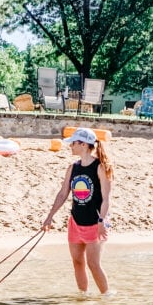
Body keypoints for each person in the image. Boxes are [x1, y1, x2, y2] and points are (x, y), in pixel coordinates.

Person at [42, 126, 113, 295]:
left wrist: (102, 221)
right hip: (76, 222)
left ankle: (106, 297)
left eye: (73, 143)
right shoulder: (72, 168)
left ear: (83, 144)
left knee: (93, 264)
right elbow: (62, 194)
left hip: (95, 222)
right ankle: (83, 297)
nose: (71, 146)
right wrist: (49, 217)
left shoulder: (101, 167)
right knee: (78, 262)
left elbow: (106, 198)